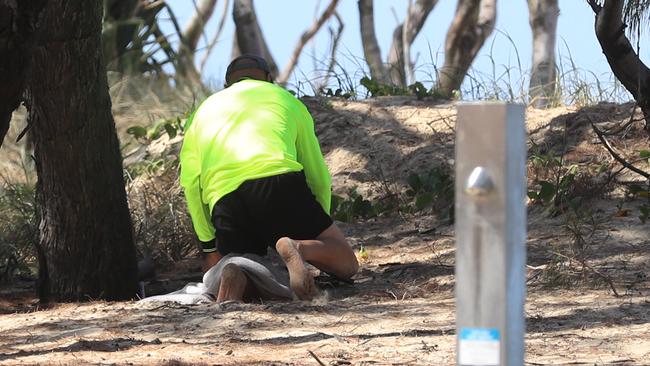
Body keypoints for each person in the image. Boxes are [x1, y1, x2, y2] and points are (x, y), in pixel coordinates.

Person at [179, 54, 359, 301]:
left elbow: (190, 183)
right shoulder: (286, 100)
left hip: (225, 199)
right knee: (346, 262)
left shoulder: (203, 111)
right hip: (279, 184)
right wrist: (314, 232)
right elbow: (317, 175)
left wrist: (208, 246)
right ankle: (297, 247)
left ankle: (237, 273)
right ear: (269, 80)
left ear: (227, 85)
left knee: (245, 262)